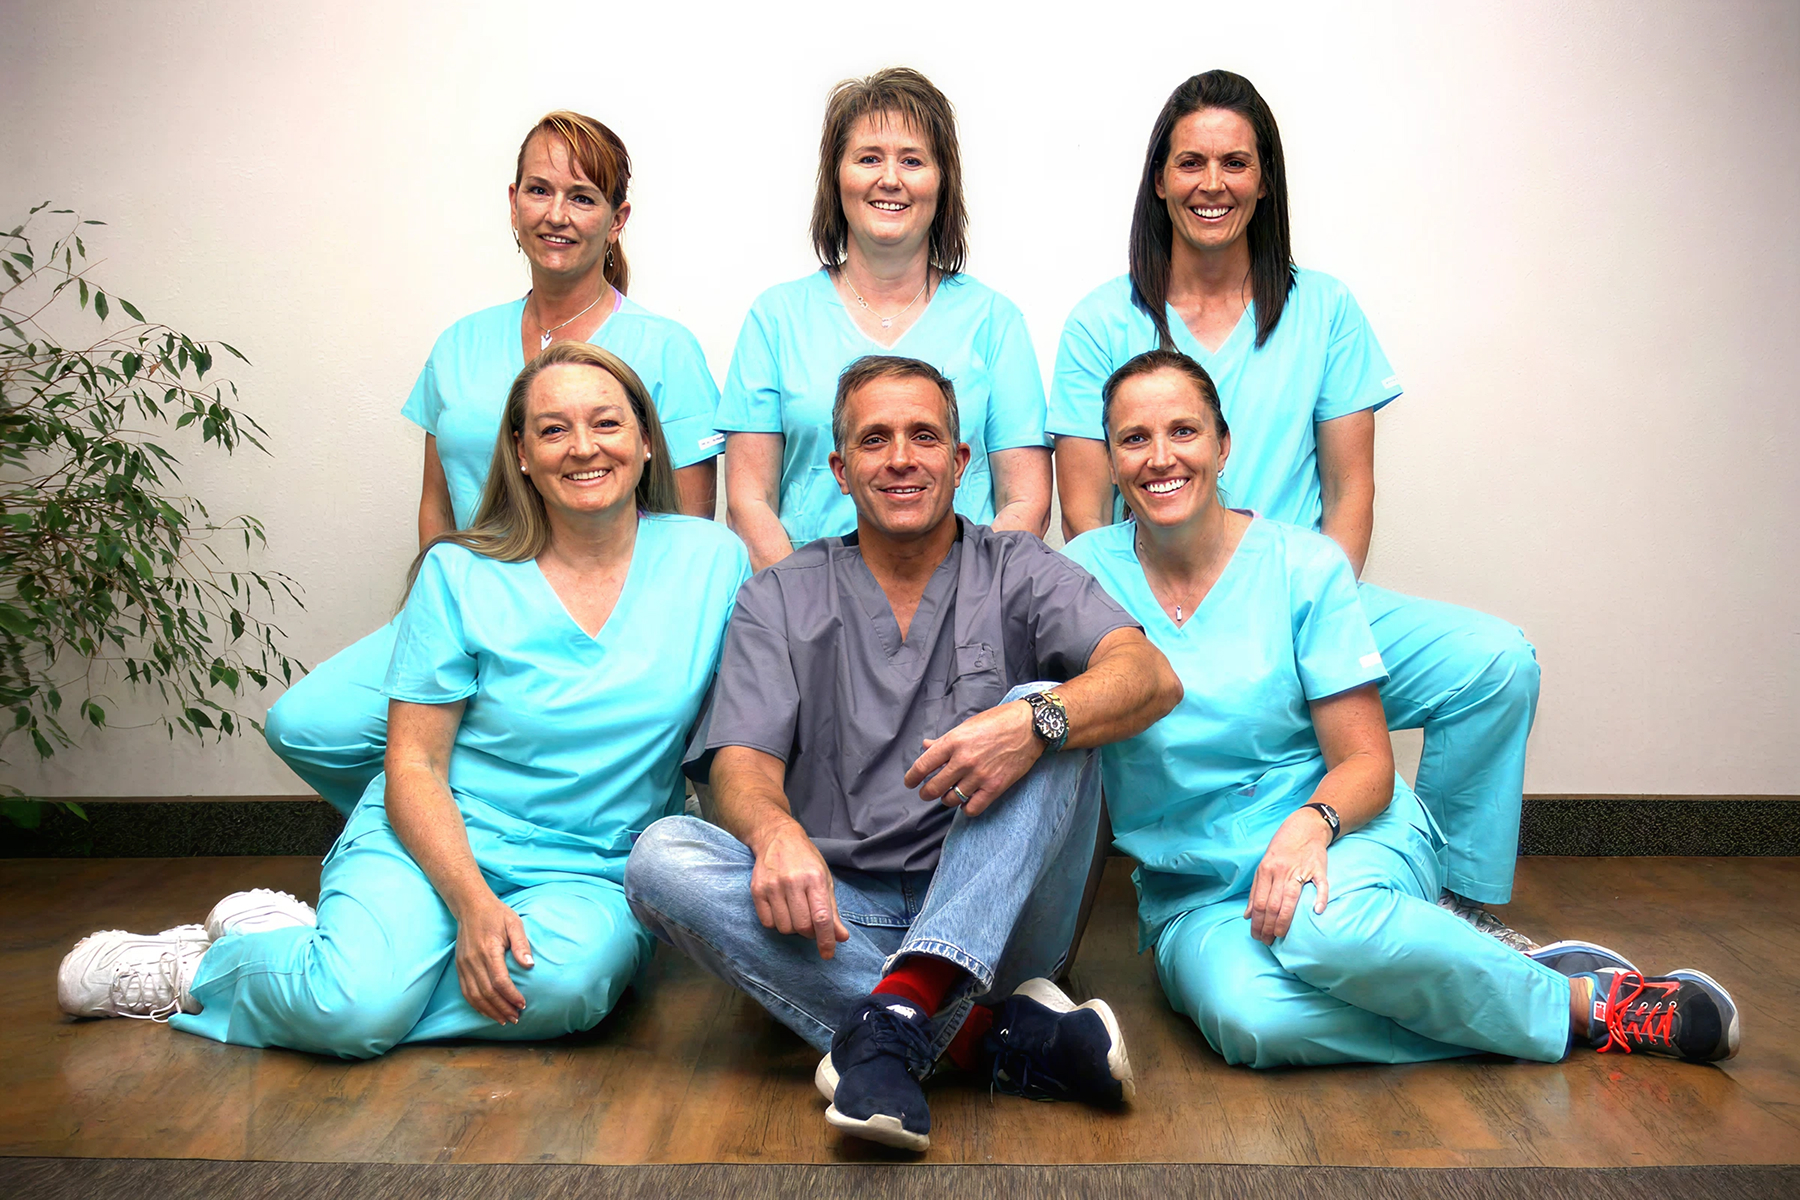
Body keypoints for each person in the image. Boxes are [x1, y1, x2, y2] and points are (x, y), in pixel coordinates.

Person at [57, 342, 751, 1058]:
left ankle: (329, 969)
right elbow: (413, 765)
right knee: (354, 1009)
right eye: (551, 429)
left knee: (568, 987)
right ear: (519, 452)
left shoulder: (712, 562)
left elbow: (736, 743)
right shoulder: (458, 571)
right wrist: (472, 903)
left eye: (606, 424)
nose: (582, 448)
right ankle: (209, 970)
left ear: (643, 440)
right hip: (437, 842)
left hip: (592, 868)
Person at [1062, 349, 1739, 1070]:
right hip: (1200, 894)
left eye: (1184, 432)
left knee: (1325, 934)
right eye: (1134, 438)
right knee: (1254, 1021)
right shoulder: (1080, 577)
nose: (1160, 457)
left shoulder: (1303, 566)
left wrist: (1306, 829)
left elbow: (1366, 762)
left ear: (1223, 446)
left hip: (1339, 831)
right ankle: (1502, 982)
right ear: (1109, 461)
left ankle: (1592, 1004)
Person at [625, 355, 1182, 1151]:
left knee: (1048, 711)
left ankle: (900, 1008)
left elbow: (1149, 677)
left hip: (1005, 917)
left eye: (924, 436)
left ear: (959, 463)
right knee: (659, 856)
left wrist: (1035, 724)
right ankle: (971, 1033)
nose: (901, 458)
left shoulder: (1017, 569)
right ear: (840, 469)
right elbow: (739, 762)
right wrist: (775, 834)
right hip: (834, 916)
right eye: (875, 439)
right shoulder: (780, 594)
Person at [1048, 70, 1543, 950]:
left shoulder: (1324, 309)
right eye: (1190, 162)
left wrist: (1312, 611)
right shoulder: (1100, 320)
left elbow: (1352, 493)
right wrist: (1152, 630)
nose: (1213, 184)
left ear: (1265, 179)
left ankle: (1447, 898)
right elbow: (1085, 517)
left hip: (1308, 595)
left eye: (1236, 163)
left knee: (1497, 664)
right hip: (1161, 614)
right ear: (1159, 179)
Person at [265, 110, 725, 815]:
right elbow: (437, 504)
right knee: (306, 726)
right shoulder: (460, 344)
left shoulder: (667, 350)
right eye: (539, 192)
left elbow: (687, 529)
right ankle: (443, 829)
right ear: (512, 204)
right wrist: (441, 615)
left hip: (598, 624)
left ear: (617, 217)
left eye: (583, 197)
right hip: (470, 608)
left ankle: (505, 834)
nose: (557, 215)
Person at [719, 67, 1052, 572]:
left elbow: (1028, 502)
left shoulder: (993, 320)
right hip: (811, 621)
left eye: (913, 160)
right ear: (837, 177)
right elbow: (748, 503)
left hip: (966, 622)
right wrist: (805, 609)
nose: (890, 179)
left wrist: (964, 600)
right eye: (869, 158)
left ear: (943, 182)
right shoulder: (777, 318)